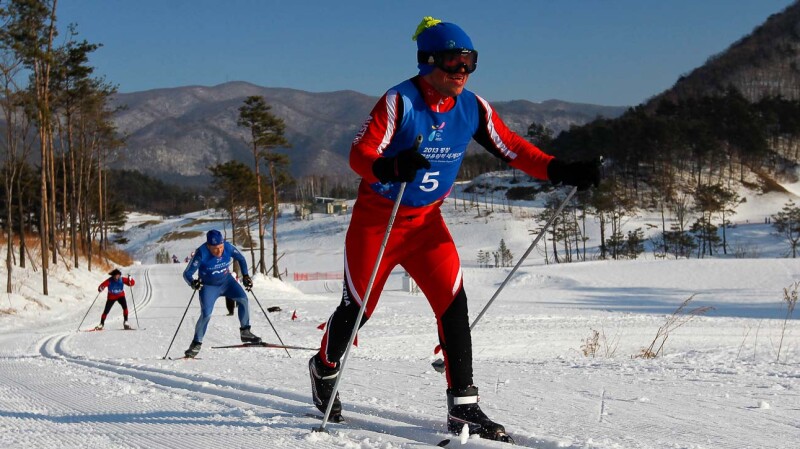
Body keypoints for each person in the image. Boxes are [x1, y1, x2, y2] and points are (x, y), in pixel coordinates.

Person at [308, 17, 601, 441]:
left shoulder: (472, 107)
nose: (462, 71)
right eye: (453, 62)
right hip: (379, 222)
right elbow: (360, 154)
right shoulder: (400, 101)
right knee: (358, 311)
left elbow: (512, 148)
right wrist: (390, 166)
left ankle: (463, 409)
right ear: (428, 62)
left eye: (470, 62)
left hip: (426, 222)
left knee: (453, 303)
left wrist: (561, 169)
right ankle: (324, 367)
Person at [182, 229, 261, 358]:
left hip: (227, 281)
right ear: (208, 246)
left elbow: (241, 258)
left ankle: (245, 332)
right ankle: (196, 343)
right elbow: (187, 273)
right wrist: (192, 282)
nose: (219, 251)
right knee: (206, 314)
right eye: (215, 249)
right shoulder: (201, 253)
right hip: (208, 286)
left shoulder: (228, 247)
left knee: (243, 300)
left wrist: (246, 276)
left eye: (220, 247)